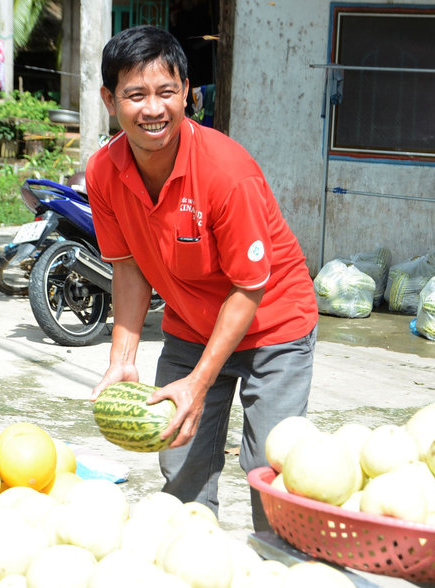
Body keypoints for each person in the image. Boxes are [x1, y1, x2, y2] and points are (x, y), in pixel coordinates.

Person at [85, 25, 319, 532]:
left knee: (268, 470)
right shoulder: (103, 172)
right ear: (110, 99)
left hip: (272, 328)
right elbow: (127, 268)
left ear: (187, 93)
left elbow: (249, 286)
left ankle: (278, 565)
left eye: (167, 92)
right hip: (189, 326)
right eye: (136, 94)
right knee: (179, 459)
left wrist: (199, 382)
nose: (153, 108)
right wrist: (122, 360)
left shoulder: (225, 172)